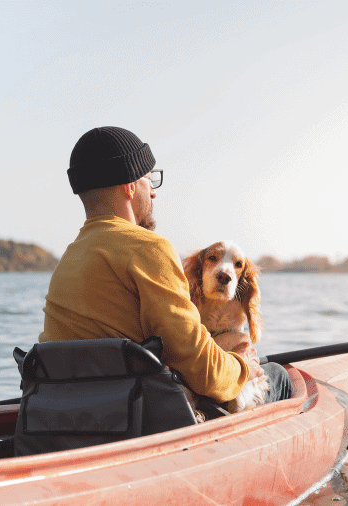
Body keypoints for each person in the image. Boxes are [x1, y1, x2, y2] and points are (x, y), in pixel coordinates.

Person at [39, 126, 291, 407]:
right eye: (150, 180)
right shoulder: (148, 248)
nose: (154, 194)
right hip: (132, 418)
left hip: (62, 409)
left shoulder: (69, 259)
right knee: (279, 375)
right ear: (131, 185)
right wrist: (243, 366)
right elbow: (203, 370)